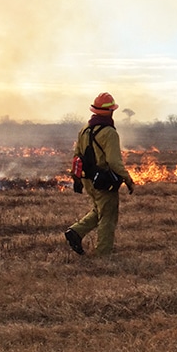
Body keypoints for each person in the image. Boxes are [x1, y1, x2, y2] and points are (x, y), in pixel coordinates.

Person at [65, 92, 135, 256]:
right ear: (110, 111)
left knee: (99, 210)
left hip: (88, 180)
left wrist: (77, 179)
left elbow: (77, 157)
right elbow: (114, 161)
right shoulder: (109, 132)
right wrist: (128, 179)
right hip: (104, 182)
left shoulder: (85, 130)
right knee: (108, 217)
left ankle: (75, 232)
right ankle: (103, 254)